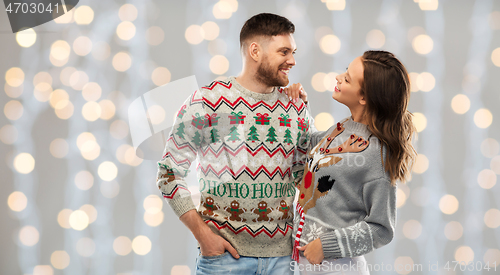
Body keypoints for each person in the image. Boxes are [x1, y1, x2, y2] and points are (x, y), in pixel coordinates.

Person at [156, 13, 314, 275]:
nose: (292, 61)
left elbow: (309, 176)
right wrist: (203, 235)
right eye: (284, 51)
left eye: (293, 52)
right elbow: (169, 172)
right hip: (224, 260)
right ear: (255, 51)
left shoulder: (295, 108)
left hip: (284, 261)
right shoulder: (208, 101)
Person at [284, 50, 417, 274]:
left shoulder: (377, 152)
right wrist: (300, 106)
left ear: (364, 97)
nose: (338, 77)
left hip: (336, 268)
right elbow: (311, 144)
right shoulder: (344, 127)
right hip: (301, 264)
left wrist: (327, 246)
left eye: (347, 78)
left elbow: (382, 228)